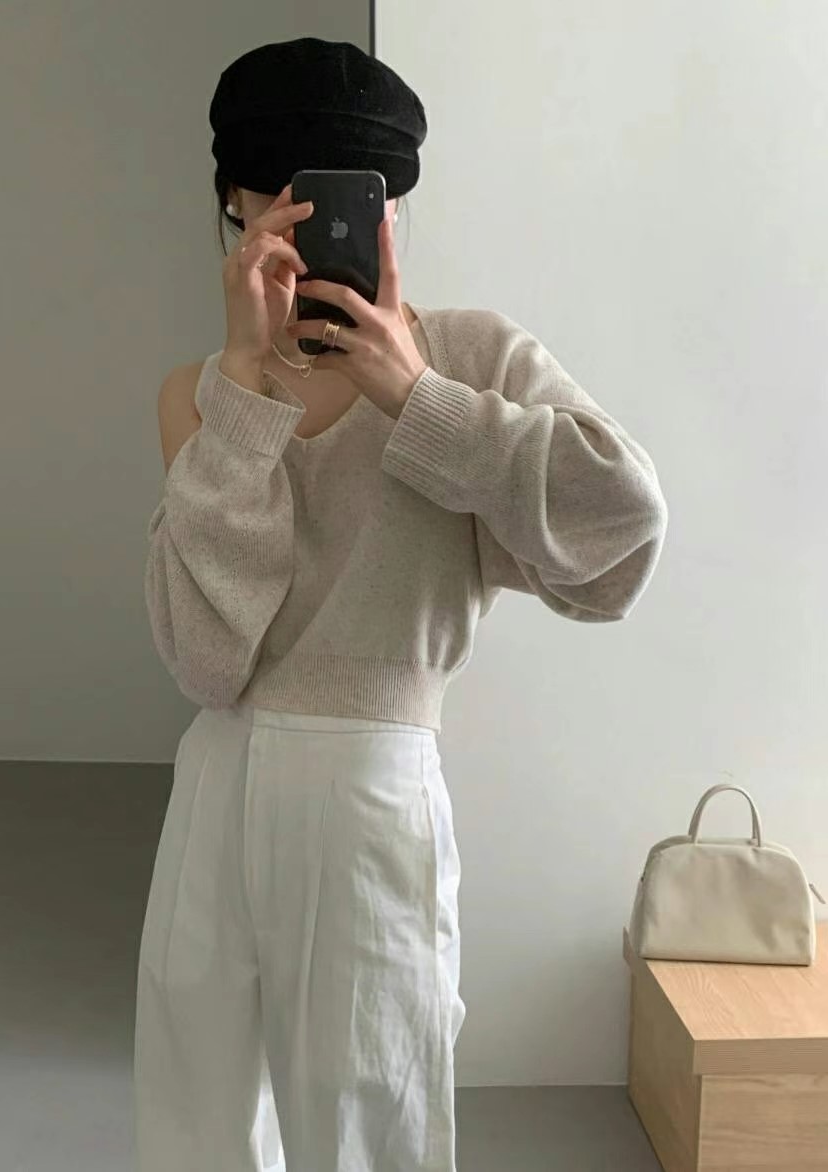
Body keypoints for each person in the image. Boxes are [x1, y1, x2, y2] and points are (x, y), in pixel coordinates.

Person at [134, 35, 668, 1172]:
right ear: (235, 206)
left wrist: (416, 397)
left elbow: (622, 526)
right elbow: (206, 662)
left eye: (340, 200)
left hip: (372, 793)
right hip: (215, 788)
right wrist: (245, 389)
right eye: (277, 200)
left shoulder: (470, 355)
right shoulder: (198, 394)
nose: (306, 228)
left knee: (368, 1131)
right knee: (198, 1127)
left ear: (385, 208)